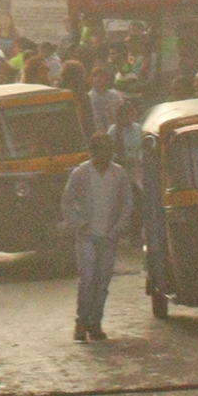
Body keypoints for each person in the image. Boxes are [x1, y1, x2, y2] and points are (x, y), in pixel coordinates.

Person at [62, 132, 137, 342]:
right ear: (93, 152)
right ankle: (81, 322)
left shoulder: (119, 174)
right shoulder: (81, 173)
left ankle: (95, 322)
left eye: (108, 150)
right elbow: (67, 201)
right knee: (87, 280)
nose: (105, 155)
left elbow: (127, 204)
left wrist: (118, 227)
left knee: (102, 281)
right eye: (101, 150)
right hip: (87, 235)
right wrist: (78, 223)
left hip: (109, 236)